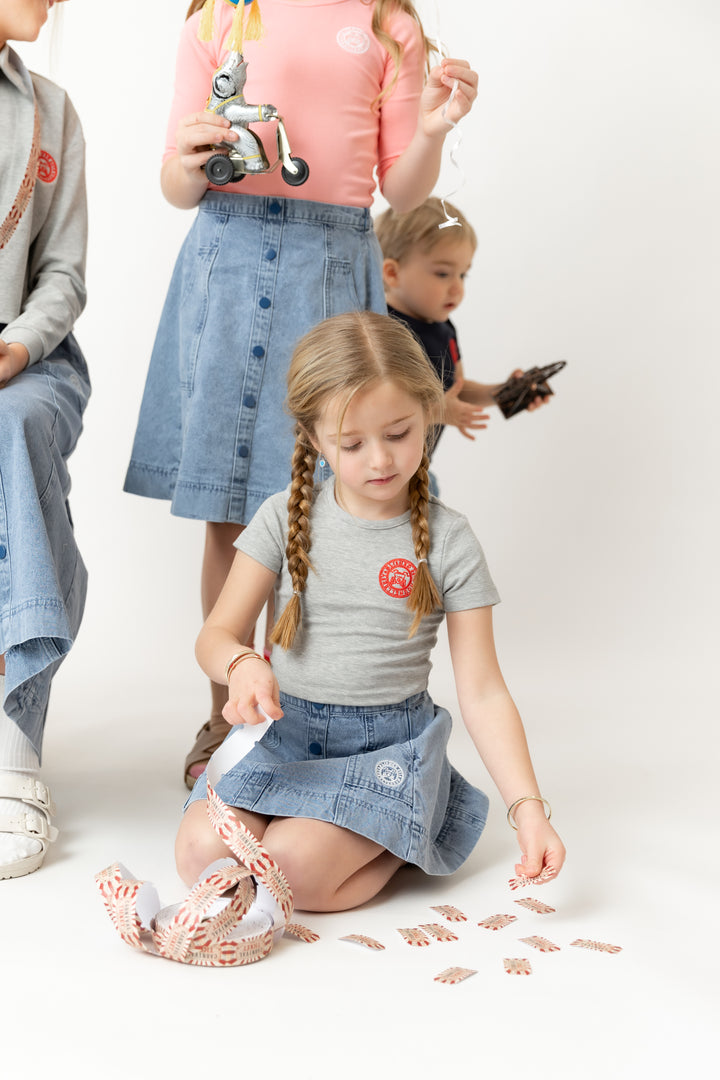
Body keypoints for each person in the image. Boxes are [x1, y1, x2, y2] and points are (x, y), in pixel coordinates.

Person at [122, 0, 479, 791]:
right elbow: (178, 184)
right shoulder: (219, 12)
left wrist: (431, 129)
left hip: (329, 263)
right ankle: (229, 712)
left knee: (333, 496)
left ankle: (320, 710)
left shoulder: (390, 24)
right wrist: (187, 158)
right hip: (228, 250)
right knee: (229, 504)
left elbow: (401, 187)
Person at [175, 311, 565, 915]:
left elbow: (483, 690)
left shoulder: (449, 539)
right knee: (202, 852)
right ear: (312, 436)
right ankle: (353, 831)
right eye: (352, 444)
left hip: (386, 747)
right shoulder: (283, 518)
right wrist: (243, 662)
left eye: (400, 433)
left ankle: (410, 835)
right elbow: (215, 635)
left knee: (293, 872)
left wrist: (530, 811)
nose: (380, 460)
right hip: (284, 735)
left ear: (429, 415)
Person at [0, 0, 90, 880]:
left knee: (15, 423)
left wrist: (17, 346)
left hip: (27, 361)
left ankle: (11, 743)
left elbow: (64, 273)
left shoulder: (51, 109)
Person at [375, 197, 548, 461]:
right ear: (392, 273)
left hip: (417, 473)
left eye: (463, 275)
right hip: (376, 474)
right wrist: (435, 411)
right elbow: (375, 408)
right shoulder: (377, 331)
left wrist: (503, 392)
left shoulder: (444, 329)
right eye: (443, 274)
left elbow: (457, 388)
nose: (457, 288)